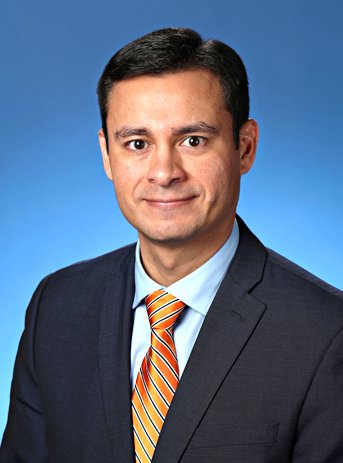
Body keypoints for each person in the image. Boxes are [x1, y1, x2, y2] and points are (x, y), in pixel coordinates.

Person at [1, 27, 342, 463]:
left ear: (245, 146)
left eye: (193, 140)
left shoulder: (327, 334)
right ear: (107, 155)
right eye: (137, 143)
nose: (164, 172)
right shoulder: (58, 306)